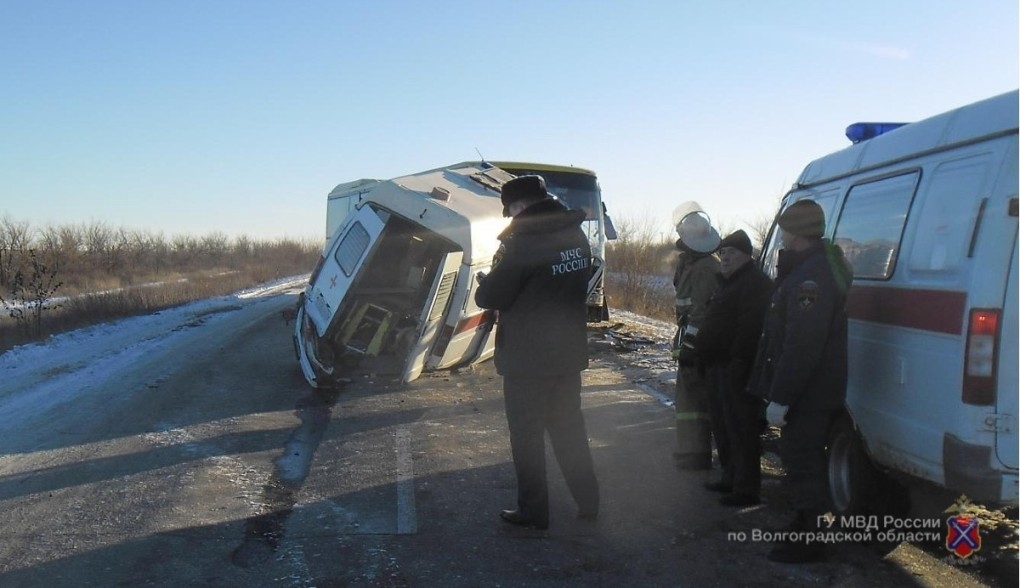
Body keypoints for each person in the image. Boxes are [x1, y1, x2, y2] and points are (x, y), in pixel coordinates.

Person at [475, 174, 600, 531]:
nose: (510, 216)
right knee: (569, 431)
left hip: (528, 360)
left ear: (521, 205)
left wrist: (489, 284)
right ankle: (588, 501)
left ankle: (534, 510)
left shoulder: (524, 243)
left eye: (511, 208)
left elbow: (491, 297)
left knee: (527, 438)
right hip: (567, 353)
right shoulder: (575, 236)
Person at [748, 200, 852, 563]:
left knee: (804, 461)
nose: (782, 234)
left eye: (785, 228)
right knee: (797, 458)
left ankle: (810, 539)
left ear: (797, 232)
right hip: (806, 390)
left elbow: (802, 344)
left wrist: (782, 397)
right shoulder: (805, 270)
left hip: (809, 392)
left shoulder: (813, 278)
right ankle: (801, 524)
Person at [693, 230, 772, 507]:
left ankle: (747, 487)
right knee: (722, 426)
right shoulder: (726, 283)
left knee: (741, 428)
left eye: (732, 253)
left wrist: (739, 363)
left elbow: (751, 330)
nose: (725, 257)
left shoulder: (754, 284)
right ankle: (730, 477)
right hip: (717, 365)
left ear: (747, 256)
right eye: (723, 253)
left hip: (737, 368)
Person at [670, 203, 722, 471]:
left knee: (695, 401)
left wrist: (691, 345)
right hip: (689, 337)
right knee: (686, 398)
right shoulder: (691, 263)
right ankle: (688, 448)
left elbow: (701, 311)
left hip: (697, 342)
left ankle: (698, 453)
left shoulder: (706, 268)